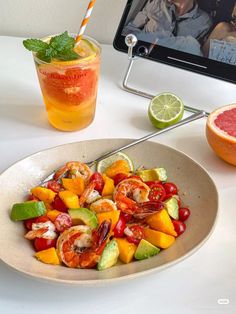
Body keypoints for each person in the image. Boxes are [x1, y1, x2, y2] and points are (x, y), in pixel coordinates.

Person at [123, 0, 213, 56]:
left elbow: (196, 55)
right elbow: (131, 28)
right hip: (141, 55)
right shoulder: (156, 3)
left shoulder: (205, 22)